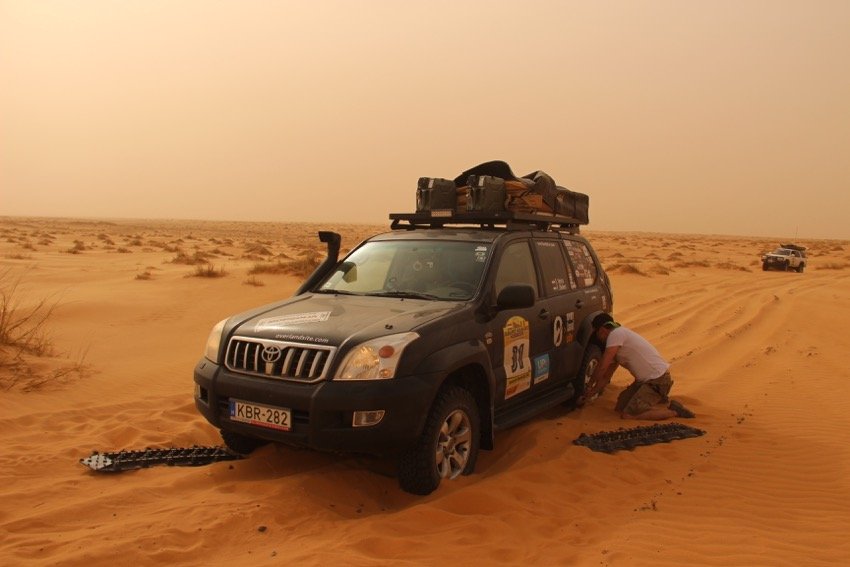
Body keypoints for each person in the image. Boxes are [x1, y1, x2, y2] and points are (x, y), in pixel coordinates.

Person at [583, 313, 695, 420]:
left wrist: (589, 385)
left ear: (602, 330)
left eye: (596, 333)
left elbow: (603, 366)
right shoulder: (618, 341)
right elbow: (606, 376)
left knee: (628, 415)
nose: (598, 338)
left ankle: (674, 412)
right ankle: (659, 404)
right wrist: (591, 392)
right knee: (620, 408)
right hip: (645, 382)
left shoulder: (616, 334)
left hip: (657, 380)